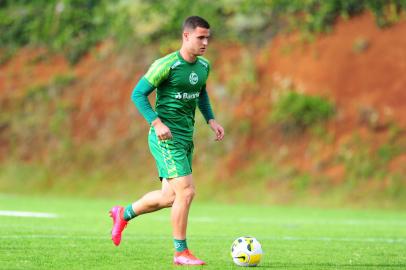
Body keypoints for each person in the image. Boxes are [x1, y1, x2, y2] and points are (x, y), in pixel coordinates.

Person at [109, 16, 224, 266]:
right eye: (200, 37)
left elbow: (201, 92)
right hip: (165, 138)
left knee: (170, 197)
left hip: (185, 138)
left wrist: (211, 119)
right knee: (187, 191)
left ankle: (123, 213)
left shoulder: (203, 66)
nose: (205, 42)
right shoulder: (167, 64)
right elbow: (138, 94)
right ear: (186, 36)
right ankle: (181, 252)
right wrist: (156, 122)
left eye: (208, 37)